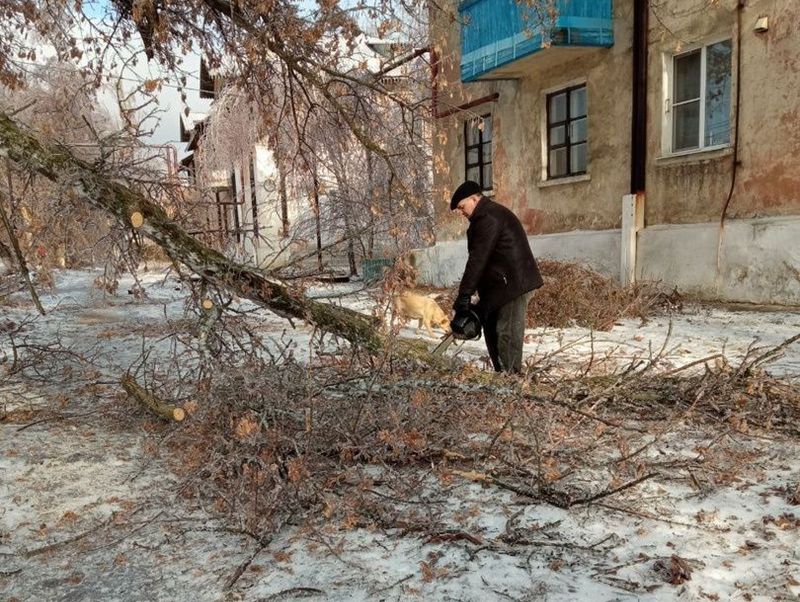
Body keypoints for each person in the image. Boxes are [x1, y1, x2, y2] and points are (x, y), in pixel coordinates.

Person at [450, 180, 543, 373]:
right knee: (490, 327)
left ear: (475, 199)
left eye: (462, 207)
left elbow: (478, 259)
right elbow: (484, 261)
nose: (461, 212)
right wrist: (471, 298)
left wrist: (464, 296)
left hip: (514, 284)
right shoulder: (485, 216)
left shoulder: (488, 218)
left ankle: (511, 382)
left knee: (506, 333)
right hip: (500, 284)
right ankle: (502, 376)